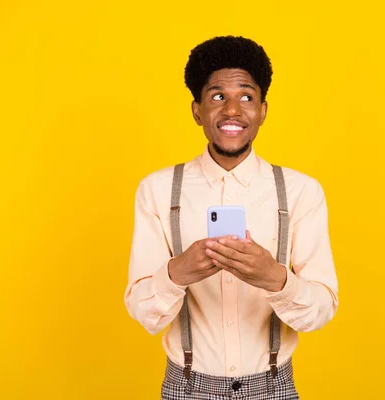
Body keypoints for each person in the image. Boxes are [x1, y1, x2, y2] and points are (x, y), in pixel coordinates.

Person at [124, 35, 339, 400]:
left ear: (263, 111)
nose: (233, 111)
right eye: (218, 96)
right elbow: (144, 313)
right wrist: (179, 273)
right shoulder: (157, 190)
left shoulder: (301, 191)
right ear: (197, 111)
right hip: (185, 388)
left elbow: (321, 310)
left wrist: (273, 277)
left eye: (246, 96)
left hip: (273, 387)